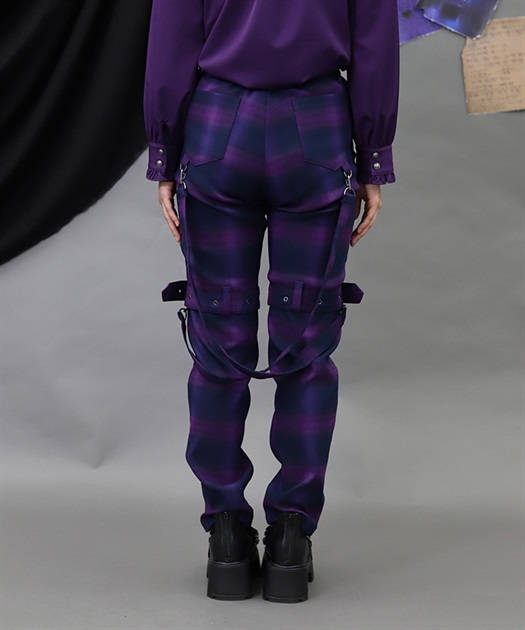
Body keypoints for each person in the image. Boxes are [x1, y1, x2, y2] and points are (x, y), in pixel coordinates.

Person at [144, 0, 399, 603]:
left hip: (217, 126)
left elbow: (172, 40)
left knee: (217, 341)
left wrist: (164, 152)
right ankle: (290, 535)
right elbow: (374, 44)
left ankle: (227, 536)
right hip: (317, 126)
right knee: (307, 343)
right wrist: (374, 155)